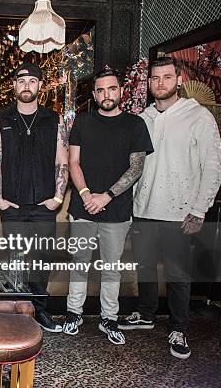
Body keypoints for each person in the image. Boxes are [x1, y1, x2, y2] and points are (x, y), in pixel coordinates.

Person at [119, 57, 221, 359]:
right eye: (154, 78)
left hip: (181, 212)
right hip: (144, 208)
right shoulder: (144, 117)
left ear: (179, 79)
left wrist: (200, 208)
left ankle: (179, 328)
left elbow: (214, 167)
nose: (160, 83)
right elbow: (134, 166)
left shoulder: (198, 116)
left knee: (178, 275)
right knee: (146, 268)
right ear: (149, 83)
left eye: (166, 77)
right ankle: (147, 314)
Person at [62, 67, 153, 345]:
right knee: (79, 263)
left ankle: (108, 318)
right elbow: (73, 162)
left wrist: (107, 196)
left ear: (121, 91)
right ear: (94, 94)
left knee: (111, 267)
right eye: (100, 90)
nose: (106, 94)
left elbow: (136, 167)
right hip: (82, 207)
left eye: (111, 88)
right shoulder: (83, 121)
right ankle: (73, 313)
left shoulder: (135, 125)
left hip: (116, 210)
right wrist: (88, 193)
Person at [0, 62, 68, 332]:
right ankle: (18, 312)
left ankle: (39, 311)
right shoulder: (1, 119)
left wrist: (58, 196)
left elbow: (62, 159)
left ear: (39, 86)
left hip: (45, 204)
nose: (26, 85)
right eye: (21, 80)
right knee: (17, 259)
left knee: (42, 260)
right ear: (14, 86)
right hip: (12, 203)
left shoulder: (54, 119)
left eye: (32, 81)